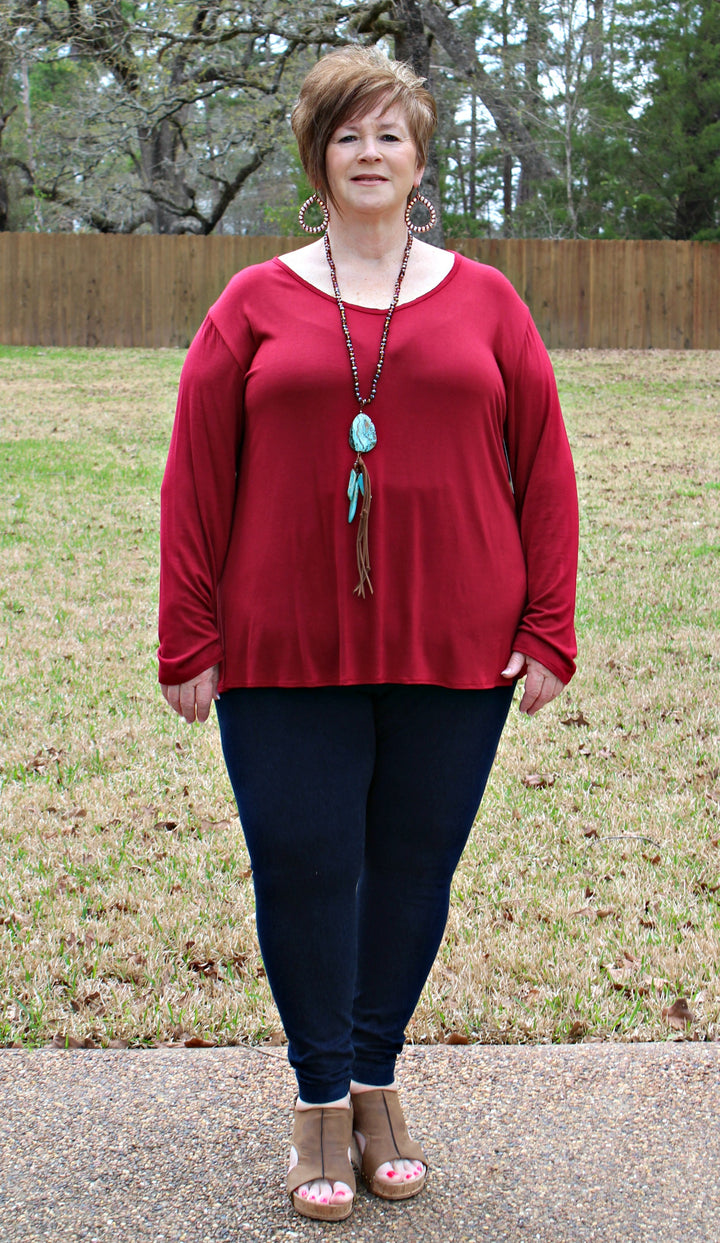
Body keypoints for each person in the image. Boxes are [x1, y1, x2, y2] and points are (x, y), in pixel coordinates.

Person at [158, 45, 578, 1223]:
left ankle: (378, 1082)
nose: (370, 153)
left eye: (390, 134)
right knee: (303, 870)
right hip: (283, 646)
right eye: (348, 135)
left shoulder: (487, 298)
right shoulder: (253, 301)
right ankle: (317, 1106)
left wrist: (551, 622)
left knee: (410, 873)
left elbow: (544, 465)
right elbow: (196, 471)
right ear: (318, 157)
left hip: (459, 645)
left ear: (419, 154)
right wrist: (186, 635)